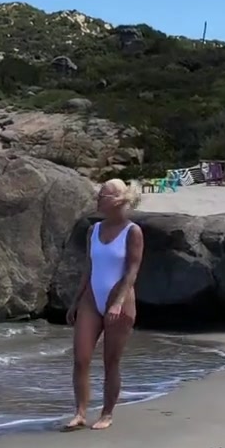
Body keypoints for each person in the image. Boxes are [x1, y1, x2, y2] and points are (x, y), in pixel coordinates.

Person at [63, 179, 145, 432]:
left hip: (119, 300)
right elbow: (89, 268)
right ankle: (80, 413)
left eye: (102, 196)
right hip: (91, 299)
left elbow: (132, 271)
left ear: (117, 200)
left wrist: (117, 303)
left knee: (111, 361)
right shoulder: (94, 230)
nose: (97, 200)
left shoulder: (132, 231)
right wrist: (75, 301)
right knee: (81, 358)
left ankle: (107, 413)